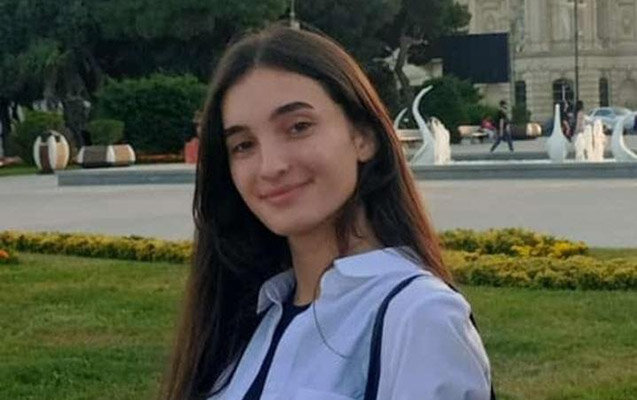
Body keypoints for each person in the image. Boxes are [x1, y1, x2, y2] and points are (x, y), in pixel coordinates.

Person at [161, 26, 492, 400]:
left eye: (298, 127)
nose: (270, 166)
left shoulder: (418, 317)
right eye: (243, 145)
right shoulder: (248, 316)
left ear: (362, 136)